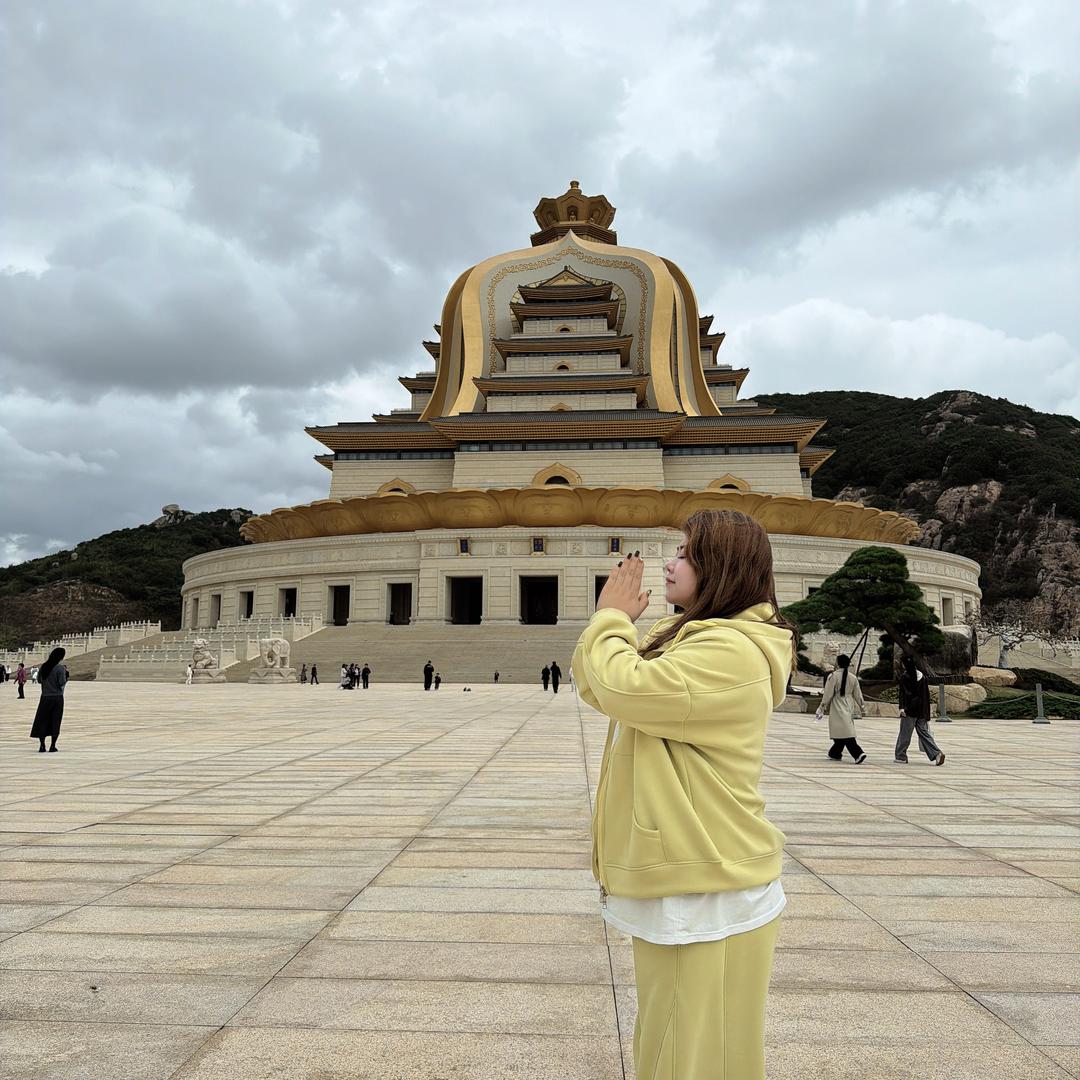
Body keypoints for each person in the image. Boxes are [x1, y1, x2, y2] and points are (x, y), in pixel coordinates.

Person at [572, 512, 792, 1080]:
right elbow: (598, 684)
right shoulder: (695, 639)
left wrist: (610, 618)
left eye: (686, 554)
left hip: (703, 879)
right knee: (703, 1050)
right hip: (701, 868)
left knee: (681, 1052)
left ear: (721, 567)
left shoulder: (730, 652)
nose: (669, 564)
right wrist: (613, 628)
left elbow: (623, 684)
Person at [896, 655, 946, 766]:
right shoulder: (922, 677)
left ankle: (901, 756)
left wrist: (902, 708)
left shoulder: (905, 677)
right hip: (922, 710)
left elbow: (903, 694)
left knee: (905, 734)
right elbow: (925, 695)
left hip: (909, 710)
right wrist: (926, 712)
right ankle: (937, 753)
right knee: (924, 733)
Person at [818, 654, 867, 763]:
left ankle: (858, 753)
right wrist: (862, 706)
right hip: (848, 704)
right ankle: (834, 753)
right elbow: (858, 694)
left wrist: (822, 707)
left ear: (838, 663)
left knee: (845, 732)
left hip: (837, 705)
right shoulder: (853, 678)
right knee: (843, 730)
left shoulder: (833, 676)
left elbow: (828, 694)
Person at [31, 647, 69, 753]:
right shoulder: (60, 668)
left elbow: (39, 680)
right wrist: (67, 676)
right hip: (57, 697)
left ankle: (42, 745)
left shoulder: (44, 666)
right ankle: (53, 746)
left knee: (42, 720)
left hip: (45, 697)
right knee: (55, 720)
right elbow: (61, 682)